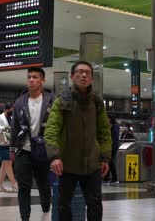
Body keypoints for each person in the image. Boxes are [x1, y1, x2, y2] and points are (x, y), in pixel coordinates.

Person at [44, 61, 112, 221]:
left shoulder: (97, 102)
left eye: (87, 73)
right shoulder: (62, 101)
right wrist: (54, 157)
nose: (84, 75)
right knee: (63, 205)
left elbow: (104, 132)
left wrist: (105, 158)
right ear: (72, 76)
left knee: (95, 205)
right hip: (67, 164)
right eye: (80, 72)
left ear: (92, 78)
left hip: (93, 165)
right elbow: (51, 130)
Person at [10, 67, 55, 221]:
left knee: (43, 183)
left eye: (35, 77)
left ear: (42, 80)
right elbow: (15, 126)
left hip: (43, 149)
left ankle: (45, 205)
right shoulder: (20, 101)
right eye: (29, 77)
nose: (31, 80)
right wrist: (12, 148)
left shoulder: (52, 100)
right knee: (24, 186)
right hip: (24, 148)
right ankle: (25, 217)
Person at [0, 102, 18, 193]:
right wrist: (6, 129)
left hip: (9, 143)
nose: (12, 112)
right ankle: (14, 184)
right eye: (10, 110)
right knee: (8, 163)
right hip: (1, 143)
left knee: (5, 165)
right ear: (6, 109)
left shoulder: (12, 118)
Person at [105, 116, 119, 183]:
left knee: (110, 162)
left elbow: (114, 137)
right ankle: (106, 178)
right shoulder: (113, 126)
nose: (107, 119)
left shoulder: (114, 126)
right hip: (112, 146)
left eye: (108, 118)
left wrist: (110, 143)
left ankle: (115, 178)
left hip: (113, 147)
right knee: (109, 161)